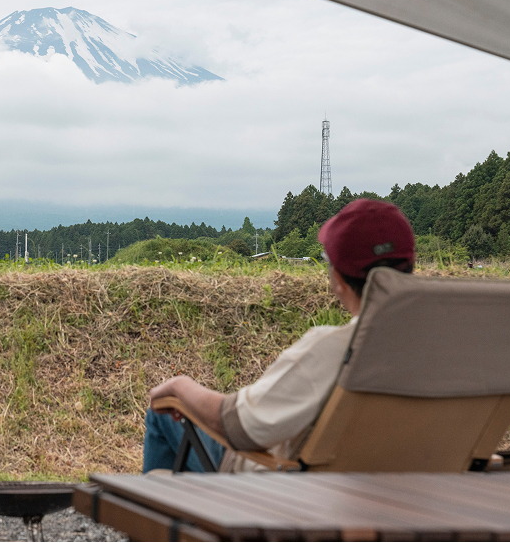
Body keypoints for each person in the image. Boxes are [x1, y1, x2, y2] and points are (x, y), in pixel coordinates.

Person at [143, 199, 416, 473]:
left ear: (339, 280)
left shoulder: (336, 347)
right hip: (405, 493)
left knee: (162, 414)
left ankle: (152, 507)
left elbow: (240, 426)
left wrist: (180, 386)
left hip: (287, 491)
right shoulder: (447, 347)